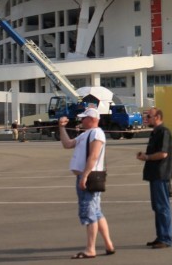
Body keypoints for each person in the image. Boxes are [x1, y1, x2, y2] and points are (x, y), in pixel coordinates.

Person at [59, 108, 116, 259]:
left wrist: (84, 176)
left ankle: (90, 249)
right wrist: (61, 128)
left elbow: (94, 156)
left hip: (89, 177)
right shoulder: (86, 134)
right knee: (96, 212)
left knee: (90, 213)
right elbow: (67, 144)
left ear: (92, 119)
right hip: (86, 176)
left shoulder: (96, 133)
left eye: (84, 118)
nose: (82, 121)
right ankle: (109, 245)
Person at [137, 108, 172, 249]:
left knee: (162, 207)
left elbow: (163, 153)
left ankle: (165, 238)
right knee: (157, 207)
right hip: (154, 175)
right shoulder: (154, 133)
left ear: (158, 117)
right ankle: (160, 236)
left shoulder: (164, 132)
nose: (147, 118)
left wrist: (147, 157)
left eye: (149, 116)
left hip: (161, 174)